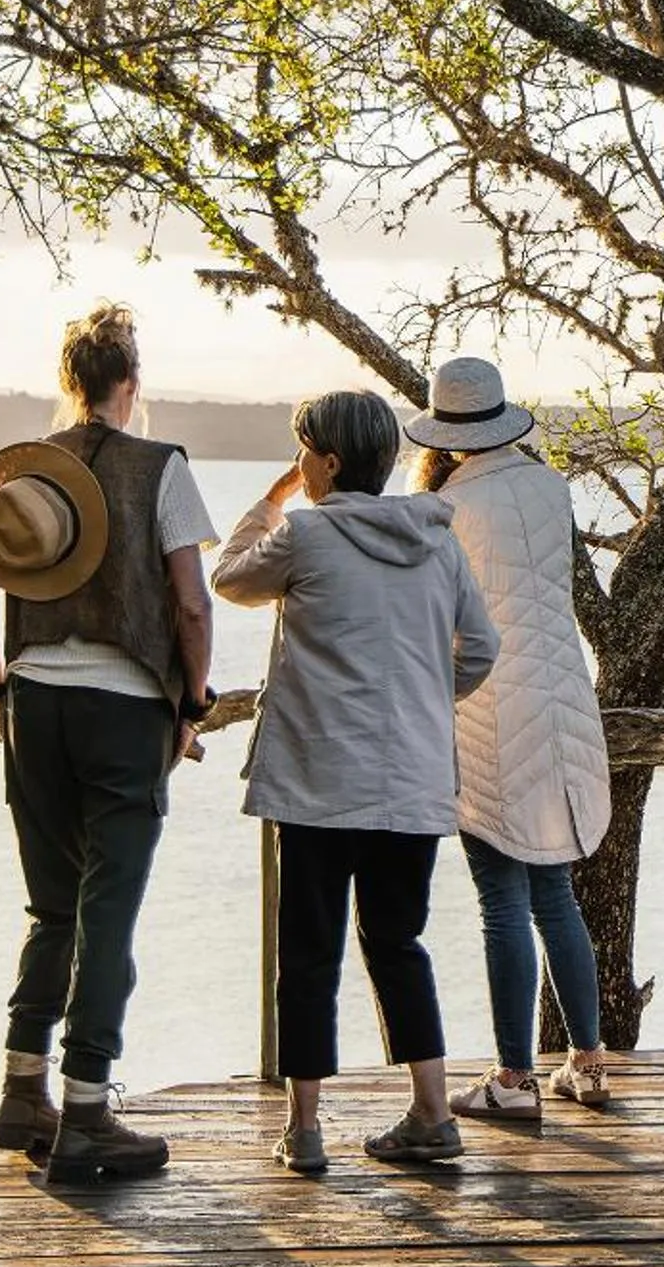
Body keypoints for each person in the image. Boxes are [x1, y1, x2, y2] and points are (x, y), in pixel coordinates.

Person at [0, 303, 217, 1184]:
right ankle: (90, 1110)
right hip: (124, 709)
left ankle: (22, 1090)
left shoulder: (23, 478)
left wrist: (0, 692)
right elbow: (190, 603)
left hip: (34, 707)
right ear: (130, 386)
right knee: (108, 915)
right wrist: (193, 703)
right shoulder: (161, 469)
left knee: (52, 907)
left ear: (69, 383)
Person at [211, 389, 499, 1174]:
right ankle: (432, 1114)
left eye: (302, 451)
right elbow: (480, 648)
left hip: (317, 780)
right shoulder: (438, 542)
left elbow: (229, 579)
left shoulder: (305, 535)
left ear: (327, 463)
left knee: (308, 953)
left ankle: (305, 1131)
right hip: (410, 781)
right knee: (399, 944)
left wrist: (269, 502)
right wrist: (419, 700)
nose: (297, 466)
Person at [404, 357, 615, 1122]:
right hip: (563, 698)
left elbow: (438, 617)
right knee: (555, 891)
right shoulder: (548, 486)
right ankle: (586, 1064)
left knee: (500, 898)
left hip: (488, 703)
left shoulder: (446, 506)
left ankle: (513, 1080)